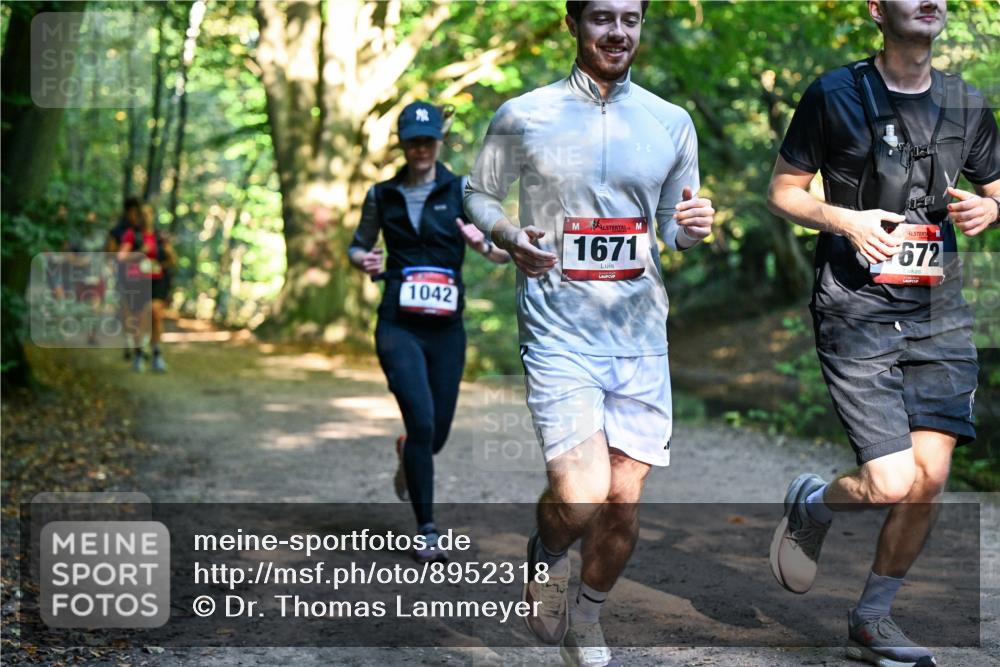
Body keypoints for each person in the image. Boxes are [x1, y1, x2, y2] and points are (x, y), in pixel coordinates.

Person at [463, 2, 715, 664]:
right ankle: (547, 550)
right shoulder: (525, 114)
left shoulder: (671, 121)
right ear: (573, 22)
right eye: (602, 17)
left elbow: (673, 226)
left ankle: (589, 616)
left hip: (639, 336)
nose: (617, 32)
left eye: (630, 19)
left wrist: (690, 227)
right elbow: (477, 195)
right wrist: (509, 234)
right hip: (558, 331)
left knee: (623, 505)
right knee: (580, 493)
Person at [766, 1, 999, 665]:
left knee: (930, 477)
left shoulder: (964, 100)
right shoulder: (833, 94)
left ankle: (872, 618)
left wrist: (992, 204)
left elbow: (997, 185)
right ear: (876, 8)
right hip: (856, 308)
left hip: (940, 310)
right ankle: (814, 504)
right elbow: (784, 191)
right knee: (892, 480)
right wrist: (846, 221)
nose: (933, 1)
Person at [348, 101, 510, 564]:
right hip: (398, 326)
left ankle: (409, 454)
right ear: (402, 144)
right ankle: (427, 528)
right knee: (420, 421)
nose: (421, 148)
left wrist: (485, 247)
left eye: (429, 140)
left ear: (440, 141)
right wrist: (366, 261)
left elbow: (500, 251)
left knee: (433, 436)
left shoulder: (461, 190)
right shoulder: (382, 195)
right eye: (413, 140)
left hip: (446, 331)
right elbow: (358, 246)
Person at [117, 204, 176, 373]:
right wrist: (139, 252)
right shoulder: (132, 235)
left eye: (147, 214)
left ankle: (157, 354)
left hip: (157, 281)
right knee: (139, 318)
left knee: (155, 314)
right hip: (137, 282)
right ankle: (139, 353)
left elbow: (172, 260)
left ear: (152, 215)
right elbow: (120, 257)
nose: (144, 217)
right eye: (141, 214)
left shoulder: (159, 237)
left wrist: (167, 253)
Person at [106, 196, 143, 357]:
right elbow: (110, 253)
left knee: (140, 311)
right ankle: (129, 342)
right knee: (127, 308)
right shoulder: (118, 230)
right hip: (124, 275)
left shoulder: (143, 229)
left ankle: (139, 343)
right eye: (132, 212)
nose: (134, 215)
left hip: (143, 277)